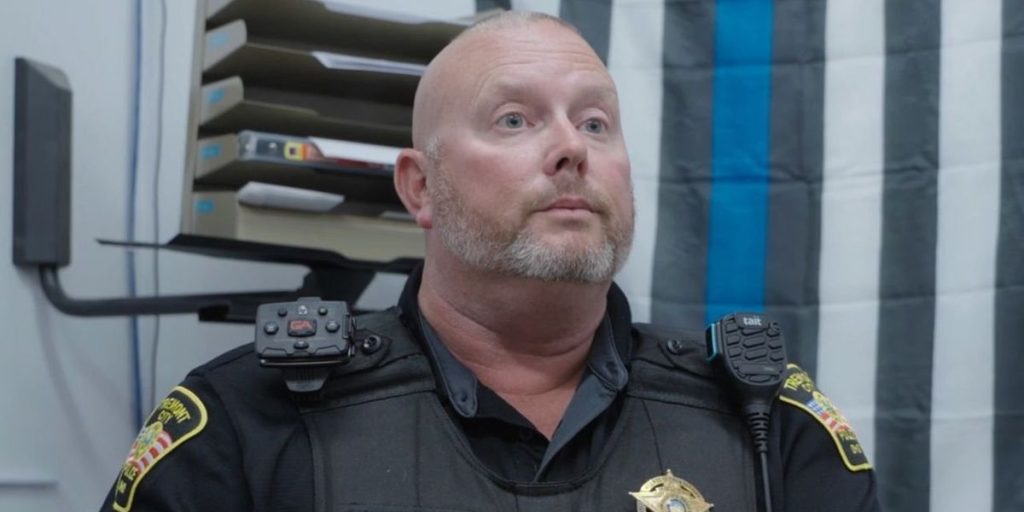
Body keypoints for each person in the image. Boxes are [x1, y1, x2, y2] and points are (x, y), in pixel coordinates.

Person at [101, 11, 881, 512]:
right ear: (421, 187)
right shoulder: (249, 420)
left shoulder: (760, 417)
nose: (572, 147)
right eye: (514, 119)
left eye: (596, 122)